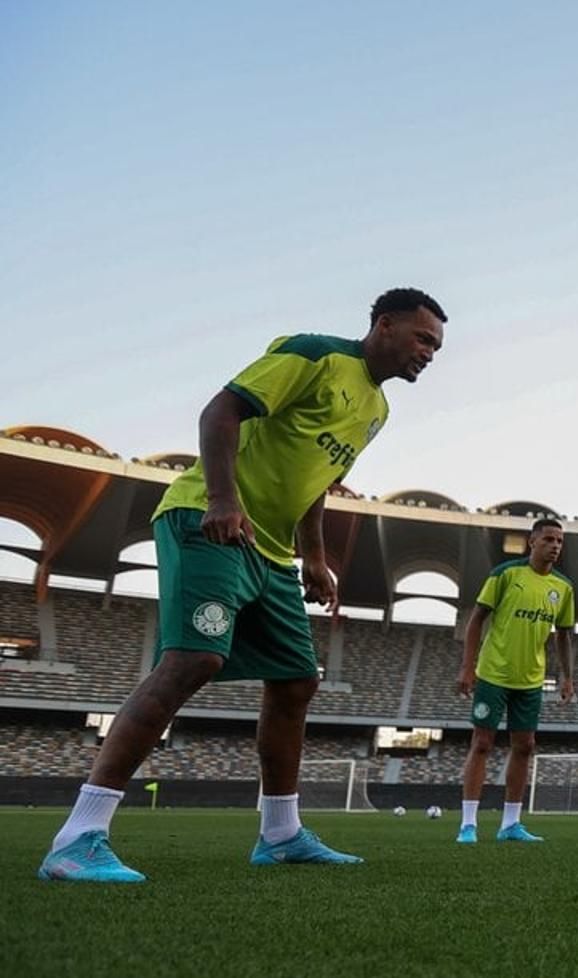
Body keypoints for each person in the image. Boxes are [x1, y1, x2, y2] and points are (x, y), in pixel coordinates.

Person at [38, 288, 448, 883]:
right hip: (209, 520)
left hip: (272, 552)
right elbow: (220, 411)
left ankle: (281, 835)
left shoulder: (377, 411)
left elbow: (316, 482)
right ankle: (78, 837)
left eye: (435, 346)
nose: (429, 353)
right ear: (384, 326)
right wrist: (224, 499)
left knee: (296, 680)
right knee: (193, 659)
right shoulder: (314, 355)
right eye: (422, 338)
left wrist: (314, 556)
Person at [455, 519, 576, 843]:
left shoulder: (563, 588)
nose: (555, 546)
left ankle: (510, 824)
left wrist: (567, 677)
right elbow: (476, 620)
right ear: (531, 542)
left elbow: (563, 635)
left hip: (531, 680)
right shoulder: (506, 574)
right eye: (549, 539)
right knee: (482, 743)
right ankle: (468, 824)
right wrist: (468, 667)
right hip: (493, 673)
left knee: (525, 746)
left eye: (560, 542)